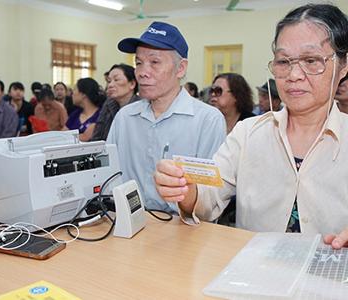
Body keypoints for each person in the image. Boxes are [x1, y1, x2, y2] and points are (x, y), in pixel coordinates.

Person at [154, 4, 348, 249]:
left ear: (343, 66)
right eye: (284, 61)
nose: (294, 74)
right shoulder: (248, 133)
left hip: (331, 279)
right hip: (253, 273)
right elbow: (208, 198)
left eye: (311, 60)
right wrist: (185, 190)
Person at [107, 21, 226, 213]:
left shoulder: (207, 120)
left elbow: (210, 199)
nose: (142, 73)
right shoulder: (125, 118)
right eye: (138, 63)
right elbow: (109, 178)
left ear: (180, 68)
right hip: (129, 224)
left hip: (184, 230)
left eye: (154, 62)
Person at [91, 63, 140, 141]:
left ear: (132, 84)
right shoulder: (108, 104)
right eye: (109, 81)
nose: (110, 85)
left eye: (116, 80)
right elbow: (97, 137)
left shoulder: (141, 106)